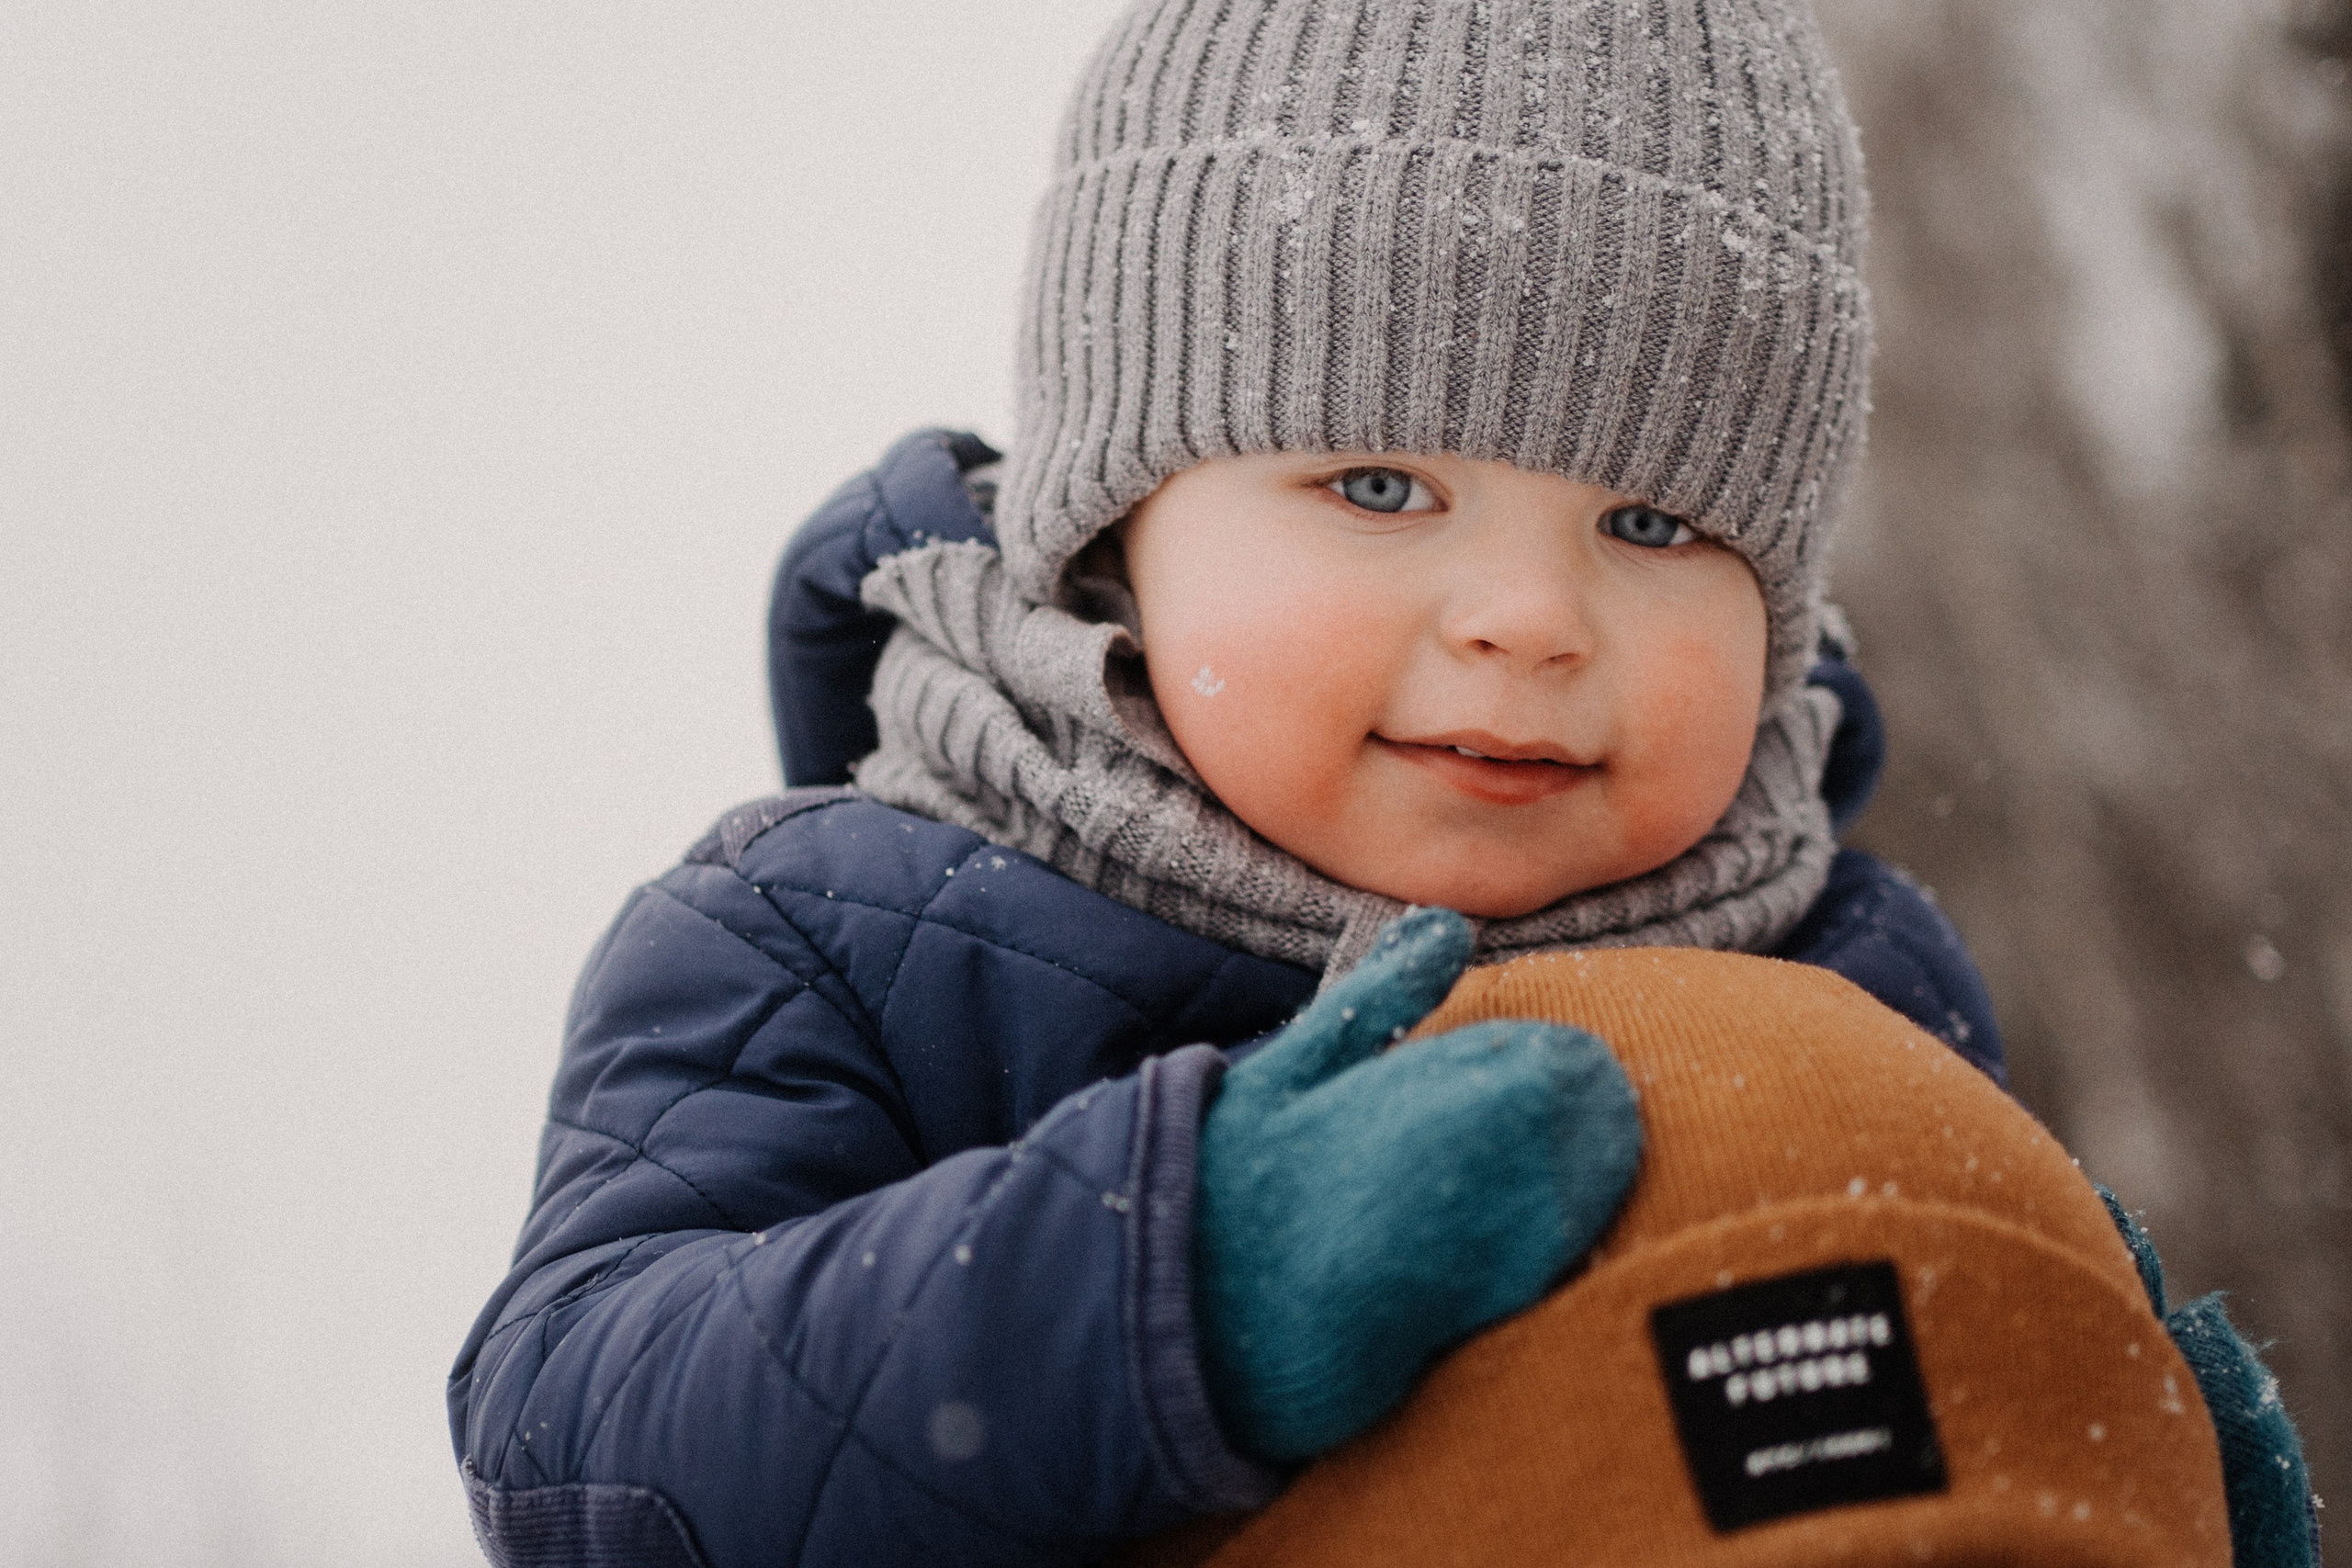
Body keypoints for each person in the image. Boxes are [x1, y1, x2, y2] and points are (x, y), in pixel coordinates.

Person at [450, 4, 2023, 1564]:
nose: (1532, 620)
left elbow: (1858, 1466)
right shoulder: (832, 946)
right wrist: (1173, 1279)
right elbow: (582, 1453)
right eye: (1382, 487)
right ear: (1111, 532)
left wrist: (2097, 1421)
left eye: (1658, 527)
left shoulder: (1851, 979)